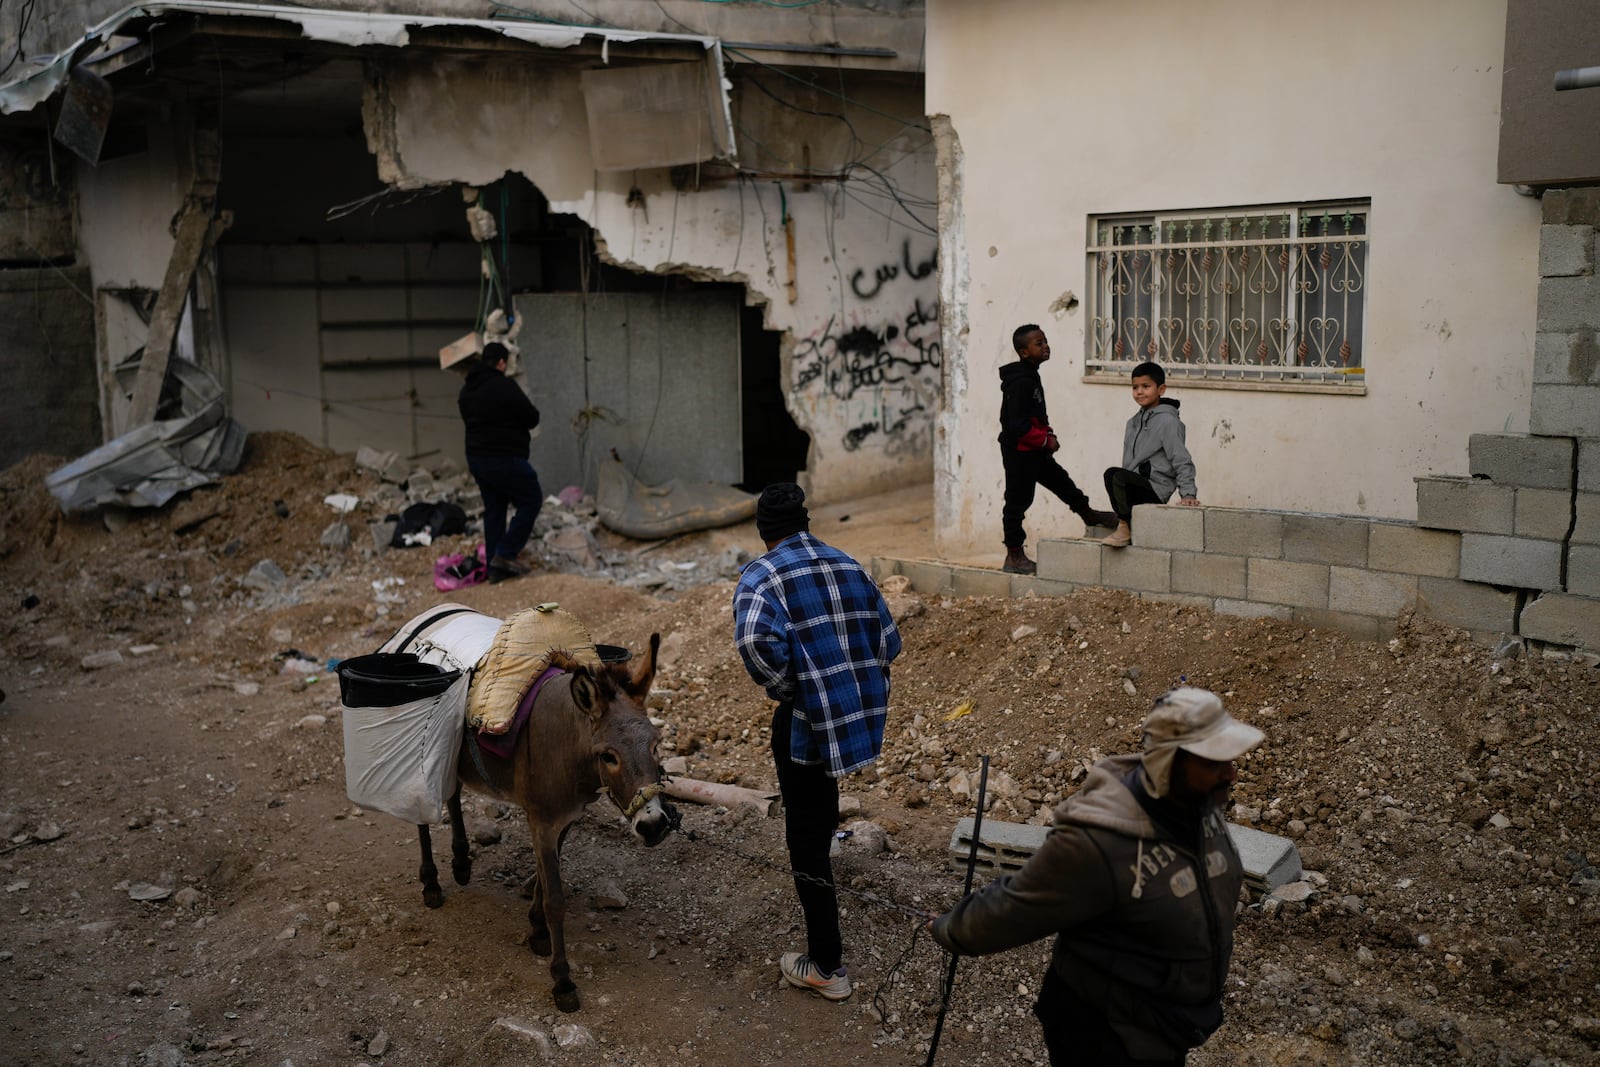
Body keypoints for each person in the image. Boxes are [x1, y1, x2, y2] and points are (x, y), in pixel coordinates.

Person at [930, 687, 1263, 1066]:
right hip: (1107, 1036)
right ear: (1169, 763)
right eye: (1214, 762)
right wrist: (950, 928)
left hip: (1167, 1026)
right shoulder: (1096, 841)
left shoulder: (1196, 805)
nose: (1231, 773)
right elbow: (1014, 907)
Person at [732, 483, 902, 1002]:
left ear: (765, 532)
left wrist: (798, 689)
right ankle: (825, 925)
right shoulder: (848, 564)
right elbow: (888, 641)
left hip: (804, 723)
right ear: (805, 521)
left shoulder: (761, 576)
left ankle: (827, 965)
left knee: (804, 837)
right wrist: (844, 683)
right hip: (847, 718)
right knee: (820, 818)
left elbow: (755, 644)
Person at [999, 324, 1119, 574]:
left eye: (1045, 341)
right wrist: (1044, 441)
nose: (1046, 346)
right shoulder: (1020, 381)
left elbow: (1036, 415)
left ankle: (1089, 514)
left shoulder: (1031, 374)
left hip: (1034, 450)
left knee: (1062, 482)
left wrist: (1048, 435)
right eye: (1038, 343)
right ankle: (1014, 556)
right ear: (1023, 352)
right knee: (1017, 503)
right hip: (1020, 453)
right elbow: (1015, 425)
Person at [457, 341, 543, 583]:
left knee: (494, 509)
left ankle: (494, 568)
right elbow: (531, 417)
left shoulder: (467, 391)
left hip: (476, 458)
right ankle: (505, 553)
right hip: (504, 456)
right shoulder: (503, 385)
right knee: (531, 499)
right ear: (502, 362)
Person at [1101, 361, 1200, 549]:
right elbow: (1128, 462)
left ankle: (1124, 526)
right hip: (1136, 485)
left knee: (1113, 475)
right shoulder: (1132, 423)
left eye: (1146, 386)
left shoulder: (1168, 422)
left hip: (1155, 489)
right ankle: (1125, 521)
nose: (1139, 392)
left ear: (1161, 389)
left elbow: (1180, 458)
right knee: (1116, 476)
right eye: (1135, 387)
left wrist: (1188, 494)